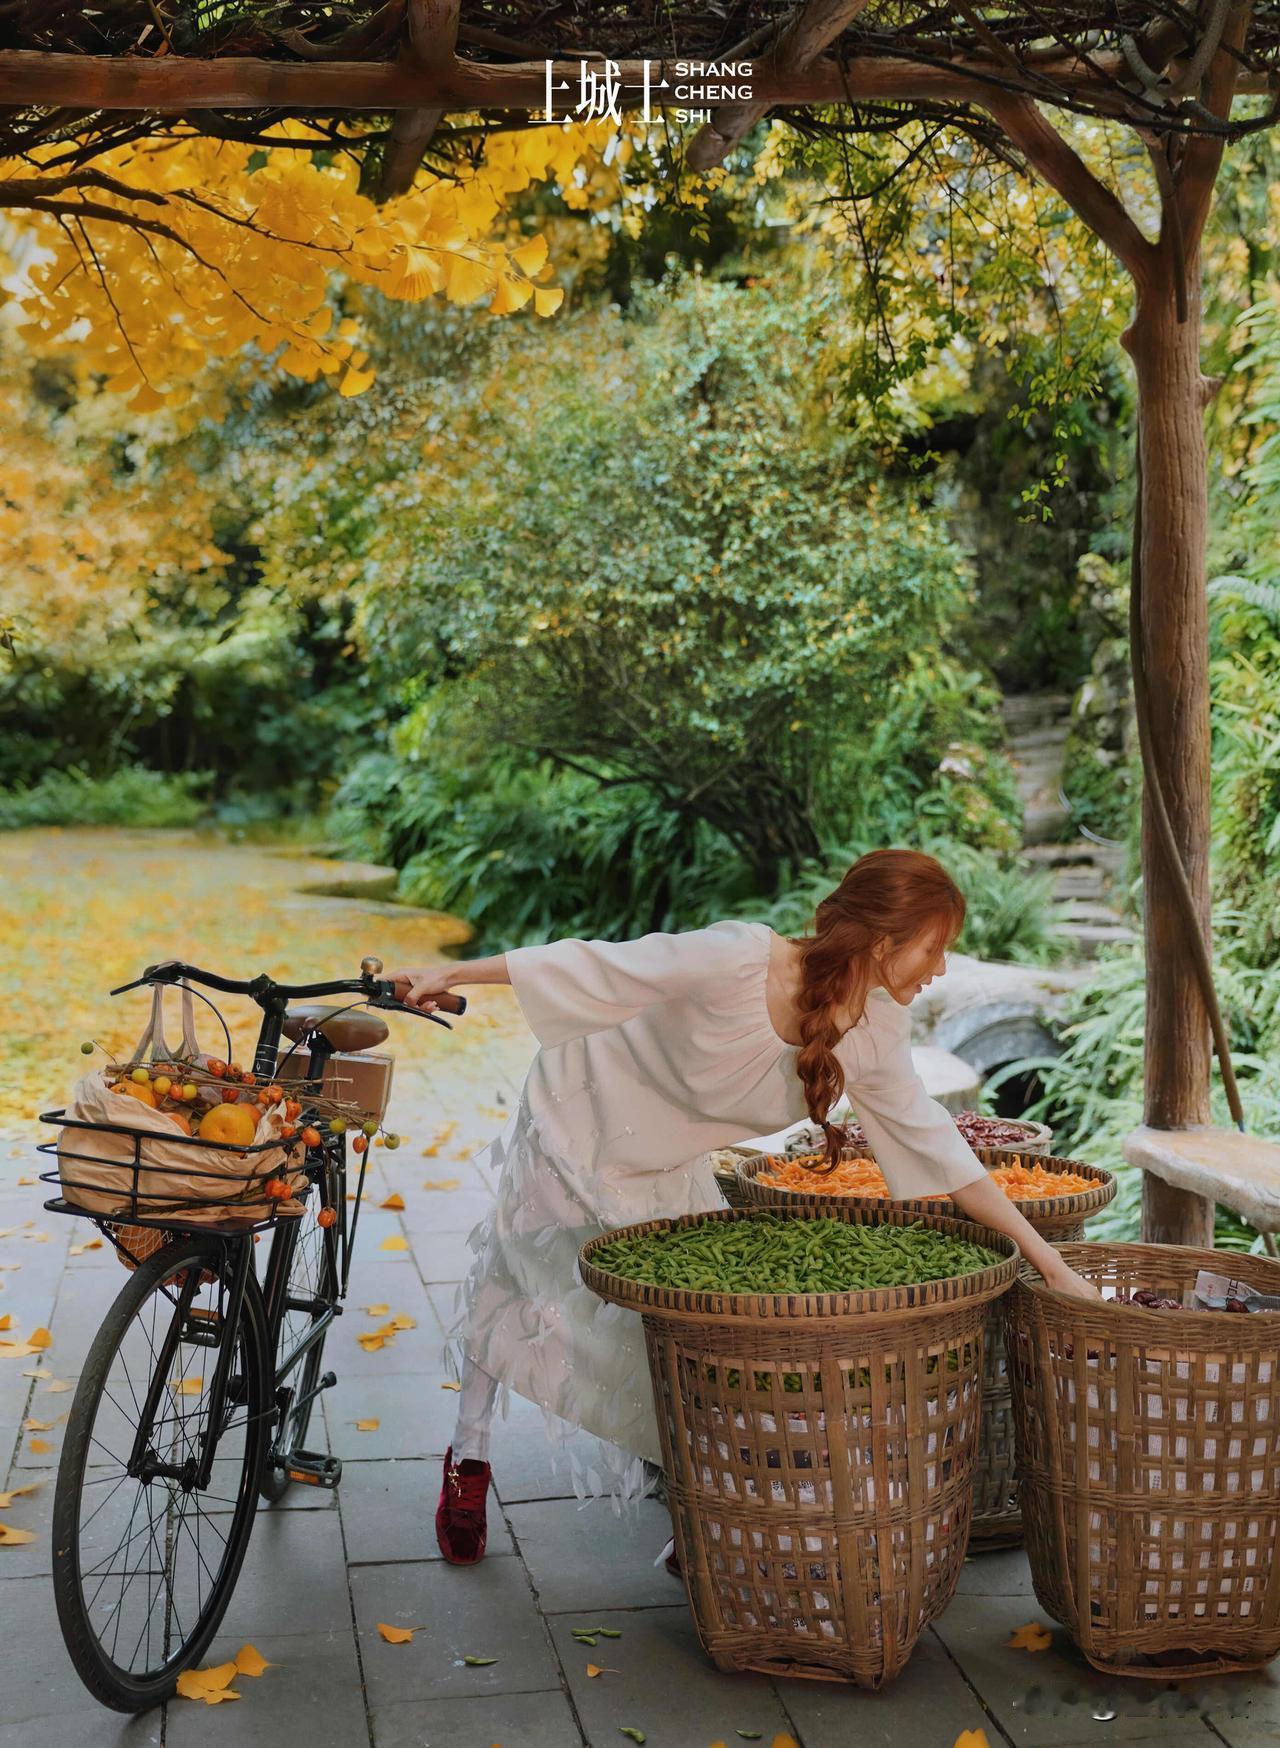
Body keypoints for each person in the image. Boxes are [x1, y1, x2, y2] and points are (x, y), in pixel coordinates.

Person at [386, 848, 1100, 1567]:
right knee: (517, 1274)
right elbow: (598, 963)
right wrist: (447, 973)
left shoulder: (877, 1033)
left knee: (681, 1335)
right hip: (581, 1110)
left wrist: (1049, 1264)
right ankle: (468, 1458)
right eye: (934, 948)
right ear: (884, 943)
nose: (941, 967)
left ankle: (706, 1513)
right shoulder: (738, 957)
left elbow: (946, 1157)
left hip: (665, 1161)